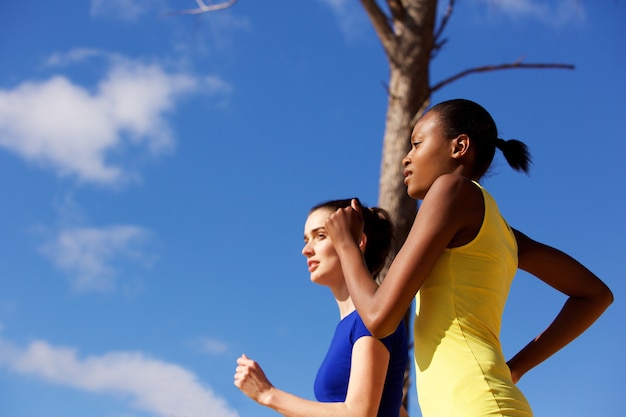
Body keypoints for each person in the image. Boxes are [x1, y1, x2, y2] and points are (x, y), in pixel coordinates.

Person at [324, 99, 614, 417]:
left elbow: (378, 319)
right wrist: (513, 370)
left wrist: (347, 244)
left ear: (459, 146)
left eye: (417, 144)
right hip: (483, 400)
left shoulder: (451, 189)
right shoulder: (502, 233)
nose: (406, 158)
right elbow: (595, 295)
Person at [234, 199, 409, 417]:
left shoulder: (368, 318)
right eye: (306, 240)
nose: (306, 250)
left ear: (358, 241)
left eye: (320, 236)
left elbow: (360, 413)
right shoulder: (354, 322)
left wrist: (267, 394)